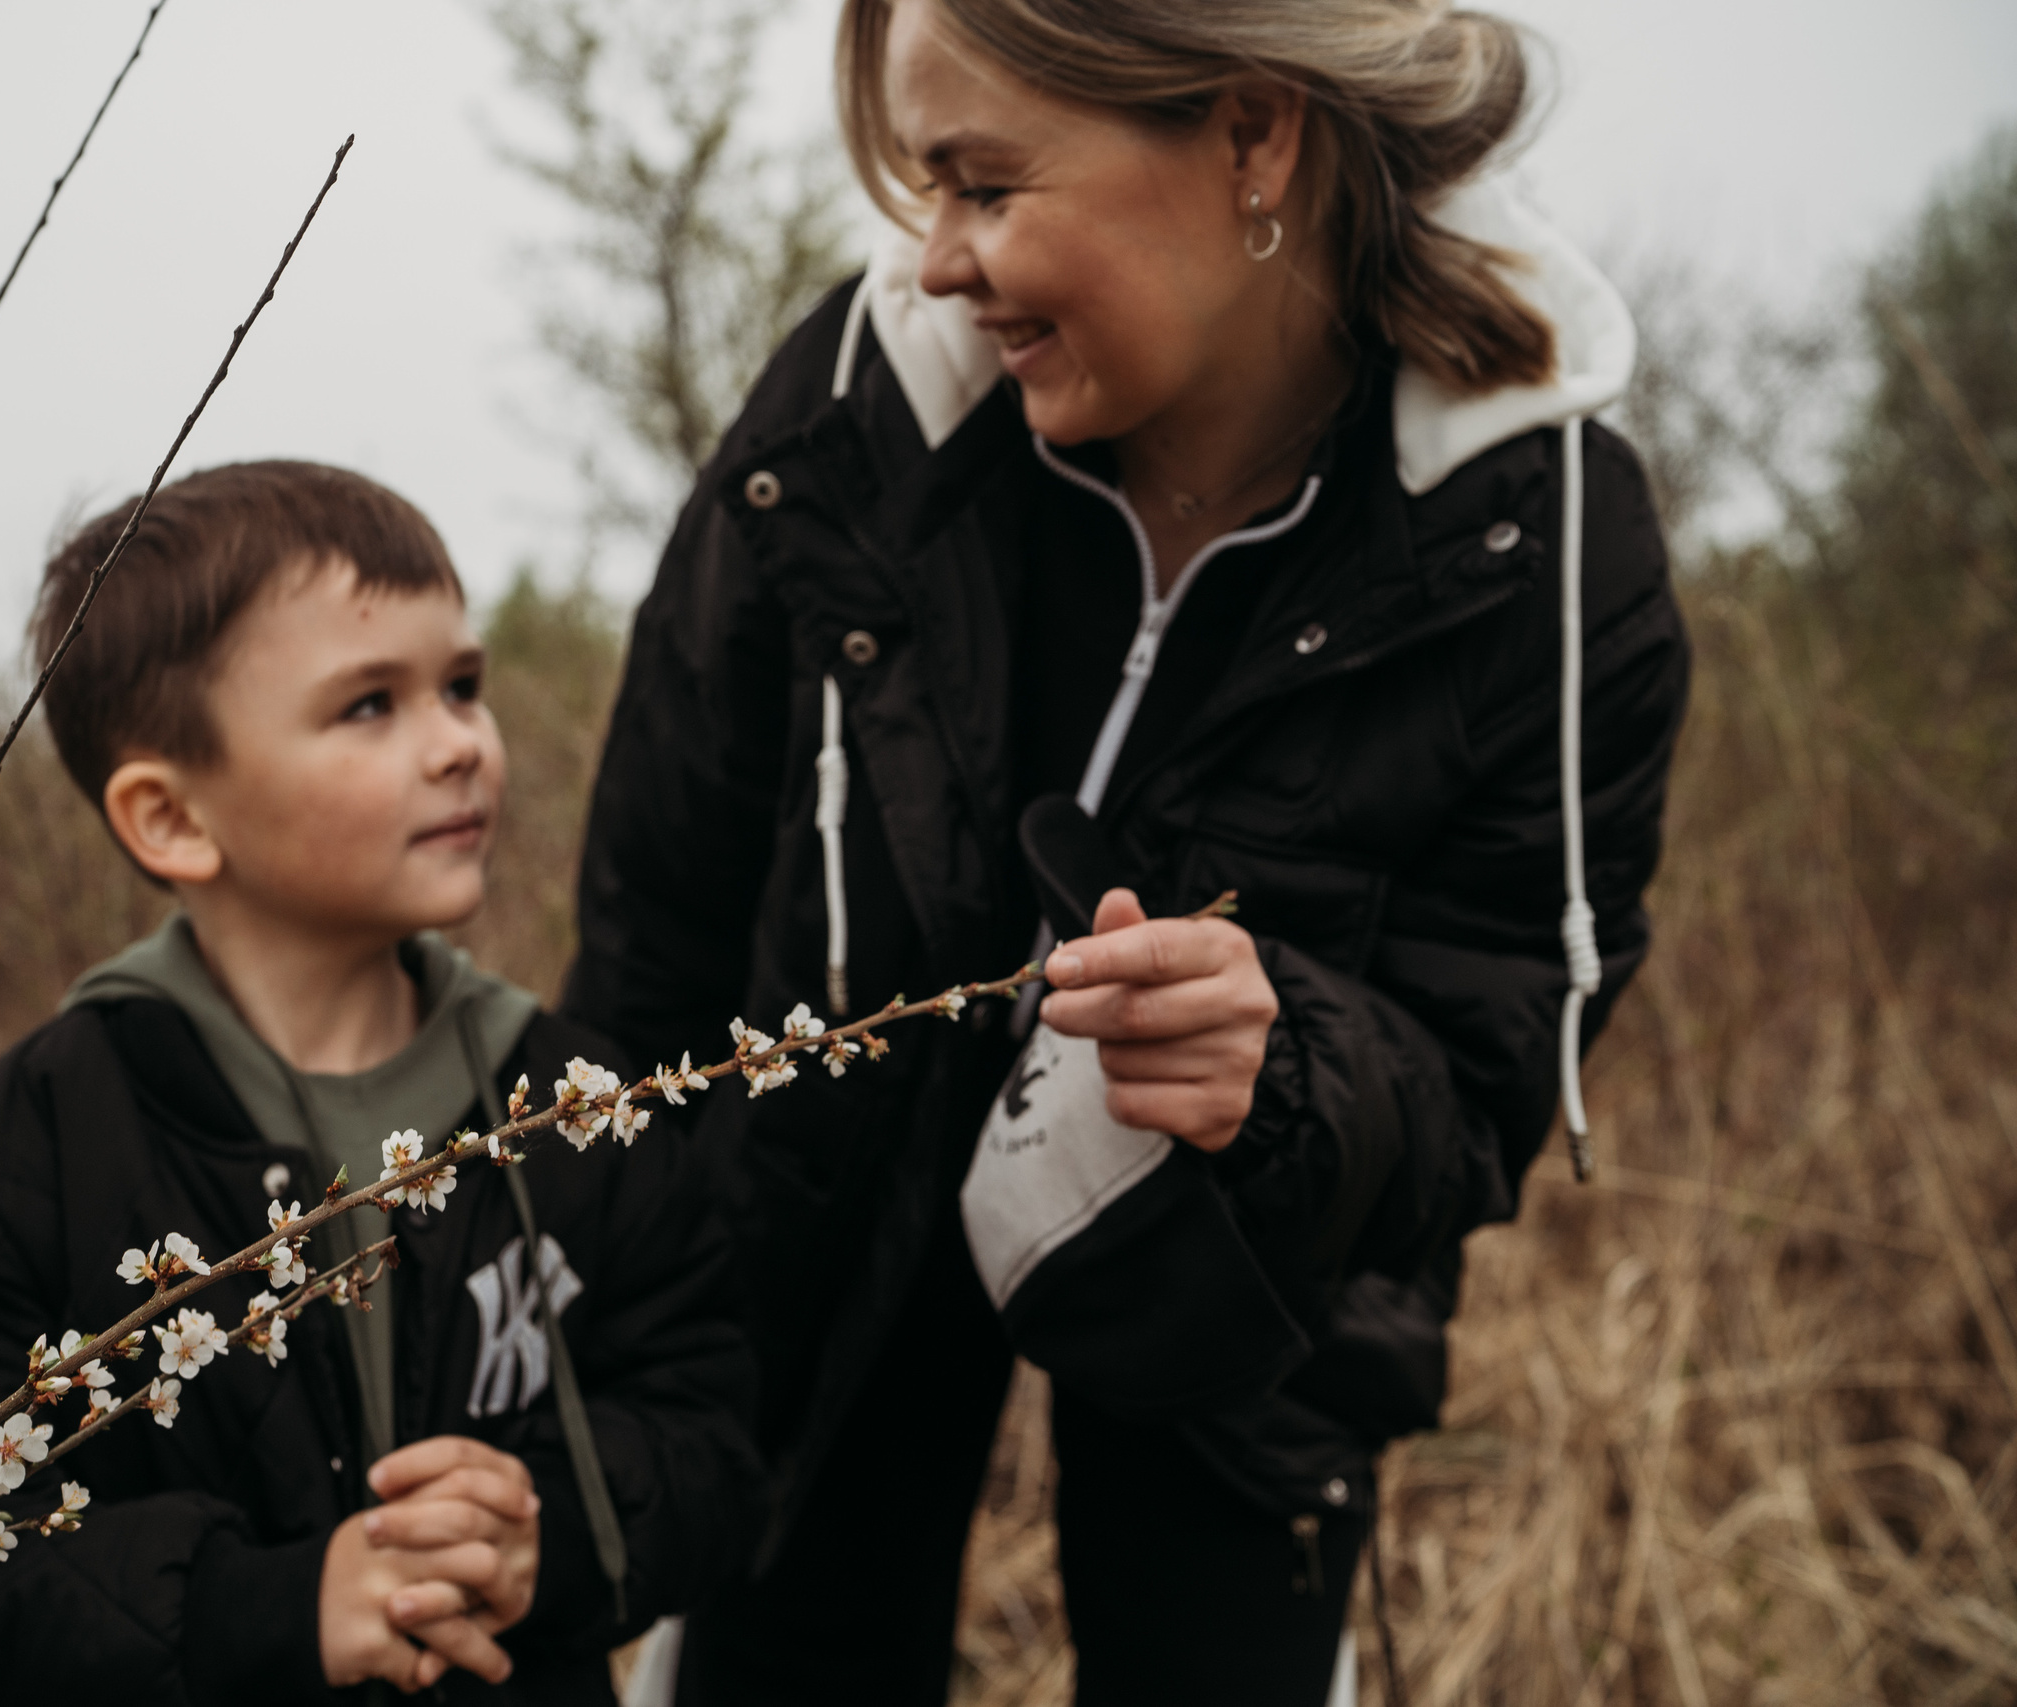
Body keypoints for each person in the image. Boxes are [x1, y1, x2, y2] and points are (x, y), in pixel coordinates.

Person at [561, 1, 1688, 1702]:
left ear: (1251, 136)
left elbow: (1477, 1091)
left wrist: (1283, 1065)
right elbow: (664, 906)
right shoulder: (863, 407)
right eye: (919, 189)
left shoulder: (1548, 550)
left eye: (984, 183)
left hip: (1254, 1344)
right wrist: (611, 1310)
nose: (935, 261)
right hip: (799, 1280)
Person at [0, 461, 759, 1704]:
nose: (459, 742)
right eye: (370, 706)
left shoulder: (572, 1106)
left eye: (462, 686)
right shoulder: (17, 1164)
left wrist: (548, 1532)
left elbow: (716, 1441)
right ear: (175, 820)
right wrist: (271, 1609)